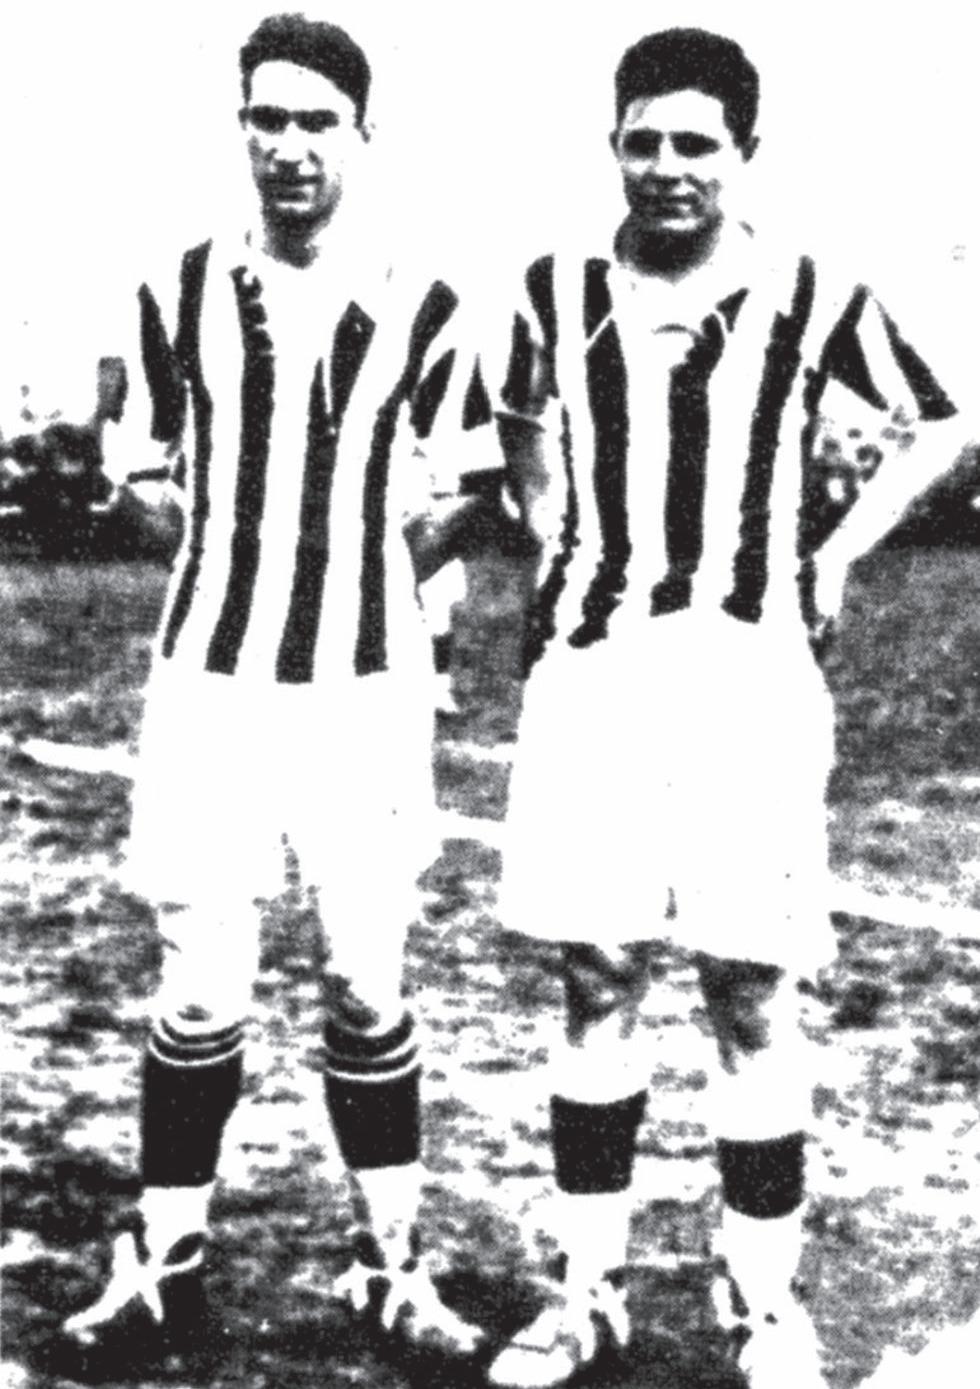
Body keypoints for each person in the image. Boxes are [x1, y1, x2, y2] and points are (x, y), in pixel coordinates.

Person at [474, 27, 964, 1389]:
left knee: (749, 986)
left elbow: (939, 418)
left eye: (697, 143)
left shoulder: (810, 291)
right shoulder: (554, 288)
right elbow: (519, 417)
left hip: (750, 669)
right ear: (613, 147)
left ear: (746, 153)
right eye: (644, 141)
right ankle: (588, 1291)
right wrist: (553, 531)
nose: (668, 167)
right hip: (595, 669)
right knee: (596, 975)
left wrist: (838, 552)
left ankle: (763, 1302)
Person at [61, 11, 485, 1366]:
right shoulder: (176, 289)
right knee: (202, 987)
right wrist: (219, 560)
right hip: (211, 680)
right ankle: (168, 1254)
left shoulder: (425, 300)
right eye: (268, 118)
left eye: (318, 122)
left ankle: (391, 1259)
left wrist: (368, 572)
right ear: (240, 126)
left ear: (362, 135)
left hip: (367, 688)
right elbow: (134, 470)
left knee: (366, 979)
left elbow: (470, 481)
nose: (291, 146)